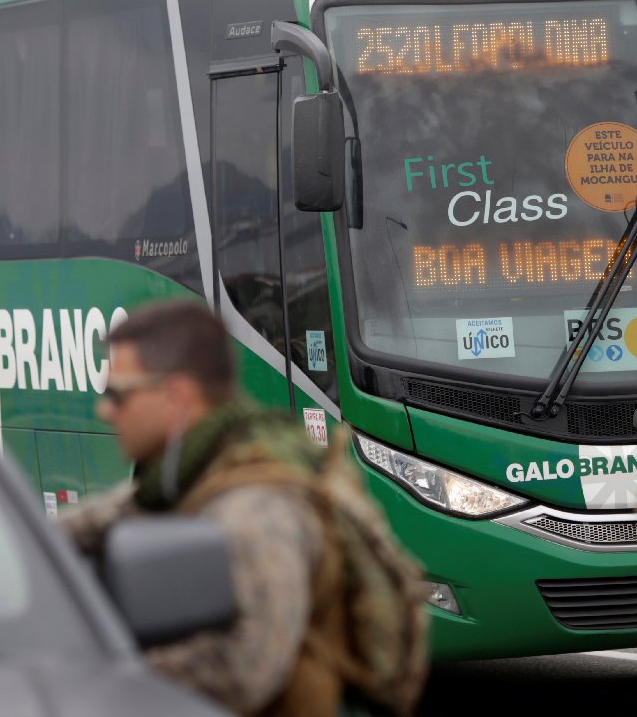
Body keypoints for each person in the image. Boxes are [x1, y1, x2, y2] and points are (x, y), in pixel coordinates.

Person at [60, 300, 422, 717]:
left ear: (176, 396)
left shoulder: (255, 509)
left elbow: (245, 669)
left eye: (118, 395)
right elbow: (99, 520)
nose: (104, 410)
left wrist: (102, 683)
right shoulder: (197, 469)